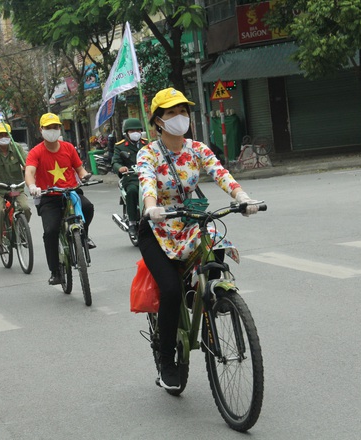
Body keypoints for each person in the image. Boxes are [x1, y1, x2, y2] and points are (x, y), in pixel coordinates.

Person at [137, 88, 260, 390]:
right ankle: (167, 360)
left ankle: (208, 296)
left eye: (183, 111)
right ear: (158, 122)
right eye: (171, 113)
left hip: (190, 222)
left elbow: (220, 173)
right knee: (169, 290)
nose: (180, 117)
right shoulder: (148, 153)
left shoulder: (197, 149)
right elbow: (147, 181)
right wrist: (152, 207)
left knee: (216, 238)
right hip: (157, 228)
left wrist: (241, 196)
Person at [25, 113, 95, 285]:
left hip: (71, 192)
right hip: (48, 196)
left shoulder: (68, 148)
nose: (52, 131)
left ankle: (83, 236)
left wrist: (85, 176)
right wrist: (32, 186)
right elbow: (30, 172)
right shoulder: (36, 152)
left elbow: (79, 169)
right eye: (48, 128)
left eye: (55, 127)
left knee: (88, 207)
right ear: (41, 130)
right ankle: (55, 271)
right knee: (51, 231)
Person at [0, 122, 31, 255]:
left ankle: (21, 231)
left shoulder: (17, 148)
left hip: (16, 187)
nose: (3, 137)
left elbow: (28, 163)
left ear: (10, 135)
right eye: (0, 135)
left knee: (25, 208)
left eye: (5, 134)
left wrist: (29, 171)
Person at [112, 118, 148, 236]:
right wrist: (120, 168)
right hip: (131, 177)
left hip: (148, 176)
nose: (135, 133)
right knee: (132, 191)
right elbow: (115, 162)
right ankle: (132, 222)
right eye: (132, 130)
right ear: (127, 133)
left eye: (137, 130)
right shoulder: (120, 146)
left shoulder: (147, 144)